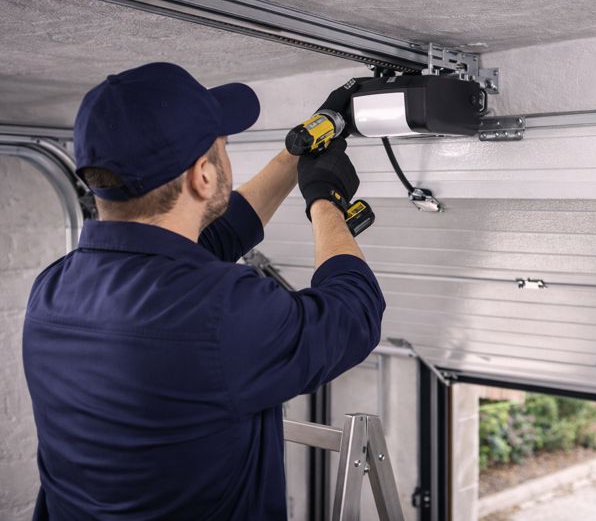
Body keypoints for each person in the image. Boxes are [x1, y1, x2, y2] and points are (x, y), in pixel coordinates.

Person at [22, 62, 385, 520]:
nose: (226, 155)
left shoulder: (53, 290)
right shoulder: (222, 314)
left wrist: (299, 150)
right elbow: (354, 313)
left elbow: (203, 244)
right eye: (222, 146)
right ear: (203, 177)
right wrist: (324, 200)